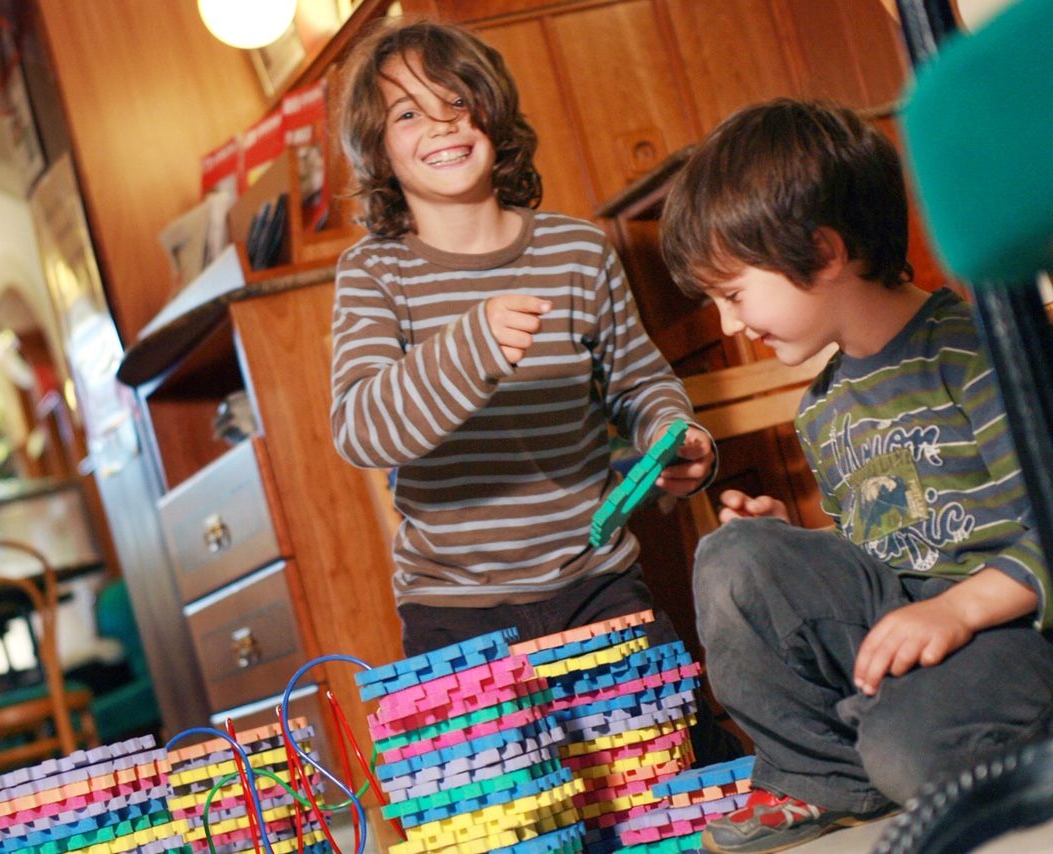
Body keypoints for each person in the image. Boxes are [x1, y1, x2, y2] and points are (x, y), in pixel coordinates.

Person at [328, 18, 742, 762]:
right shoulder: (374, 273)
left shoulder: (576, 251)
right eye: (408, 112)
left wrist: (674, 436)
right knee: (507, 808)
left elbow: (640, 381)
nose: (442, 124)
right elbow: (361, 429)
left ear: (493, 113)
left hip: (594, 584)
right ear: (378, 148)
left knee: (669, 779)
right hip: (453, 611)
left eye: (458, 101)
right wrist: (470, 347)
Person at [659, 97, 1053, 853]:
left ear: (824, 251)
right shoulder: (821, 408)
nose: (729, 323)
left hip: (1007, 630)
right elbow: (879, 555)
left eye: (733, 294)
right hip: (902, 633)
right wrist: (792, 549)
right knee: (734, 556)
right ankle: (822, 778)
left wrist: (959, 610)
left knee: (912, 753)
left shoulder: (976, 356)